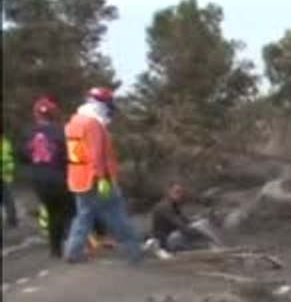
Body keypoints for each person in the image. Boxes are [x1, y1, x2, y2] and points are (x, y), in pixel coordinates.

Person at [62, 86, 141, 263]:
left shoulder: (73, 122)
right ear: (102, 104)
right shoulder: (94, 125)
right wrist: (102, 178)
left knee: (83, 216)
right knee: (115, 213)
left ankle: (72, 251)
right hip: (97, 178)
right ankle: (133, 250)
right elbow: (96, 154)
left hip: (78, 179)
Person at [21, 97, 75, 257]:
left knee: (52, 213)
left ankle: (55, 249)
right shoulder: (61, 131)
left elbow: (23, 156)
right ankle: (72, 245)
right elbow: (69, 155)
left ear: (36, 114)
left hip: (38, 179)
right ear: (53, 114)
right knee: (69, 211)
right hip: (59, 178)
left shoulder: (27, 132)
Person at [147, 180, 220, 257]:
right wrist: (203, 235)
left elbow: (186, 221)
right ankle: (217, 246)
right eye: (177, 192)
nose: (180, 195)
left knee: (202, 223)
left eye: (181, 192)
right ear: (168, 192)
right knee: (200, 226)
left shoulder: (174, 205)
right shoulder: (165, 207)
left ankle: (215, 246)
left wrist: (201, 217)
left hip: (172, 237)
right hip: (165, 242)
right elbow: (183, 228)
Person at [1, 123, 16, 229]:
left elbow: (9, 160)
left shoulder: (6, 144)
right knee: (8, 199)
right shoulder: (6, 143)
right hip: (6, 175)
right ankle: (12, 220)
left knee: (8, 199)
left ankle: (12, 220)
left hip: (5, 175)